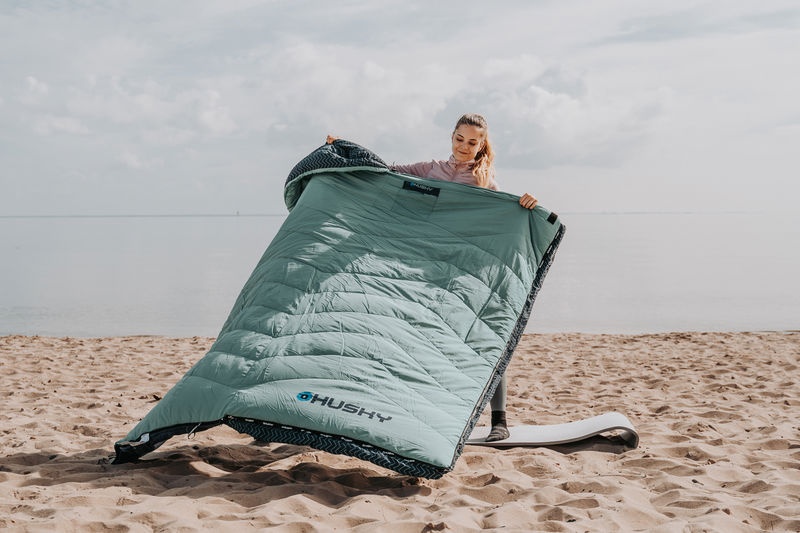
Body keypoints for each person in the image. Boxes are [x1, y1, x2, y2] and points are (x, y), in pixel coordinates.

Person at [327, 113, 537, 441]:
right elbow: (384, 172)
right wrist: (344, 148)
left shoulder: (484, 180)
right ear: (451, 136)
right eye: (460, 139)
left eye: (472, 142)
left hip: (466, 269)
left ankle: (499, 420)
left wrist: (526, 205)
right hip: (427, 269)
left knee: (486, 338)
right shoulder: (430, 169)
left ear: (481, 144)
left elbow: (504, 215)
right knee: (416, 338)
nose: (464, 146)